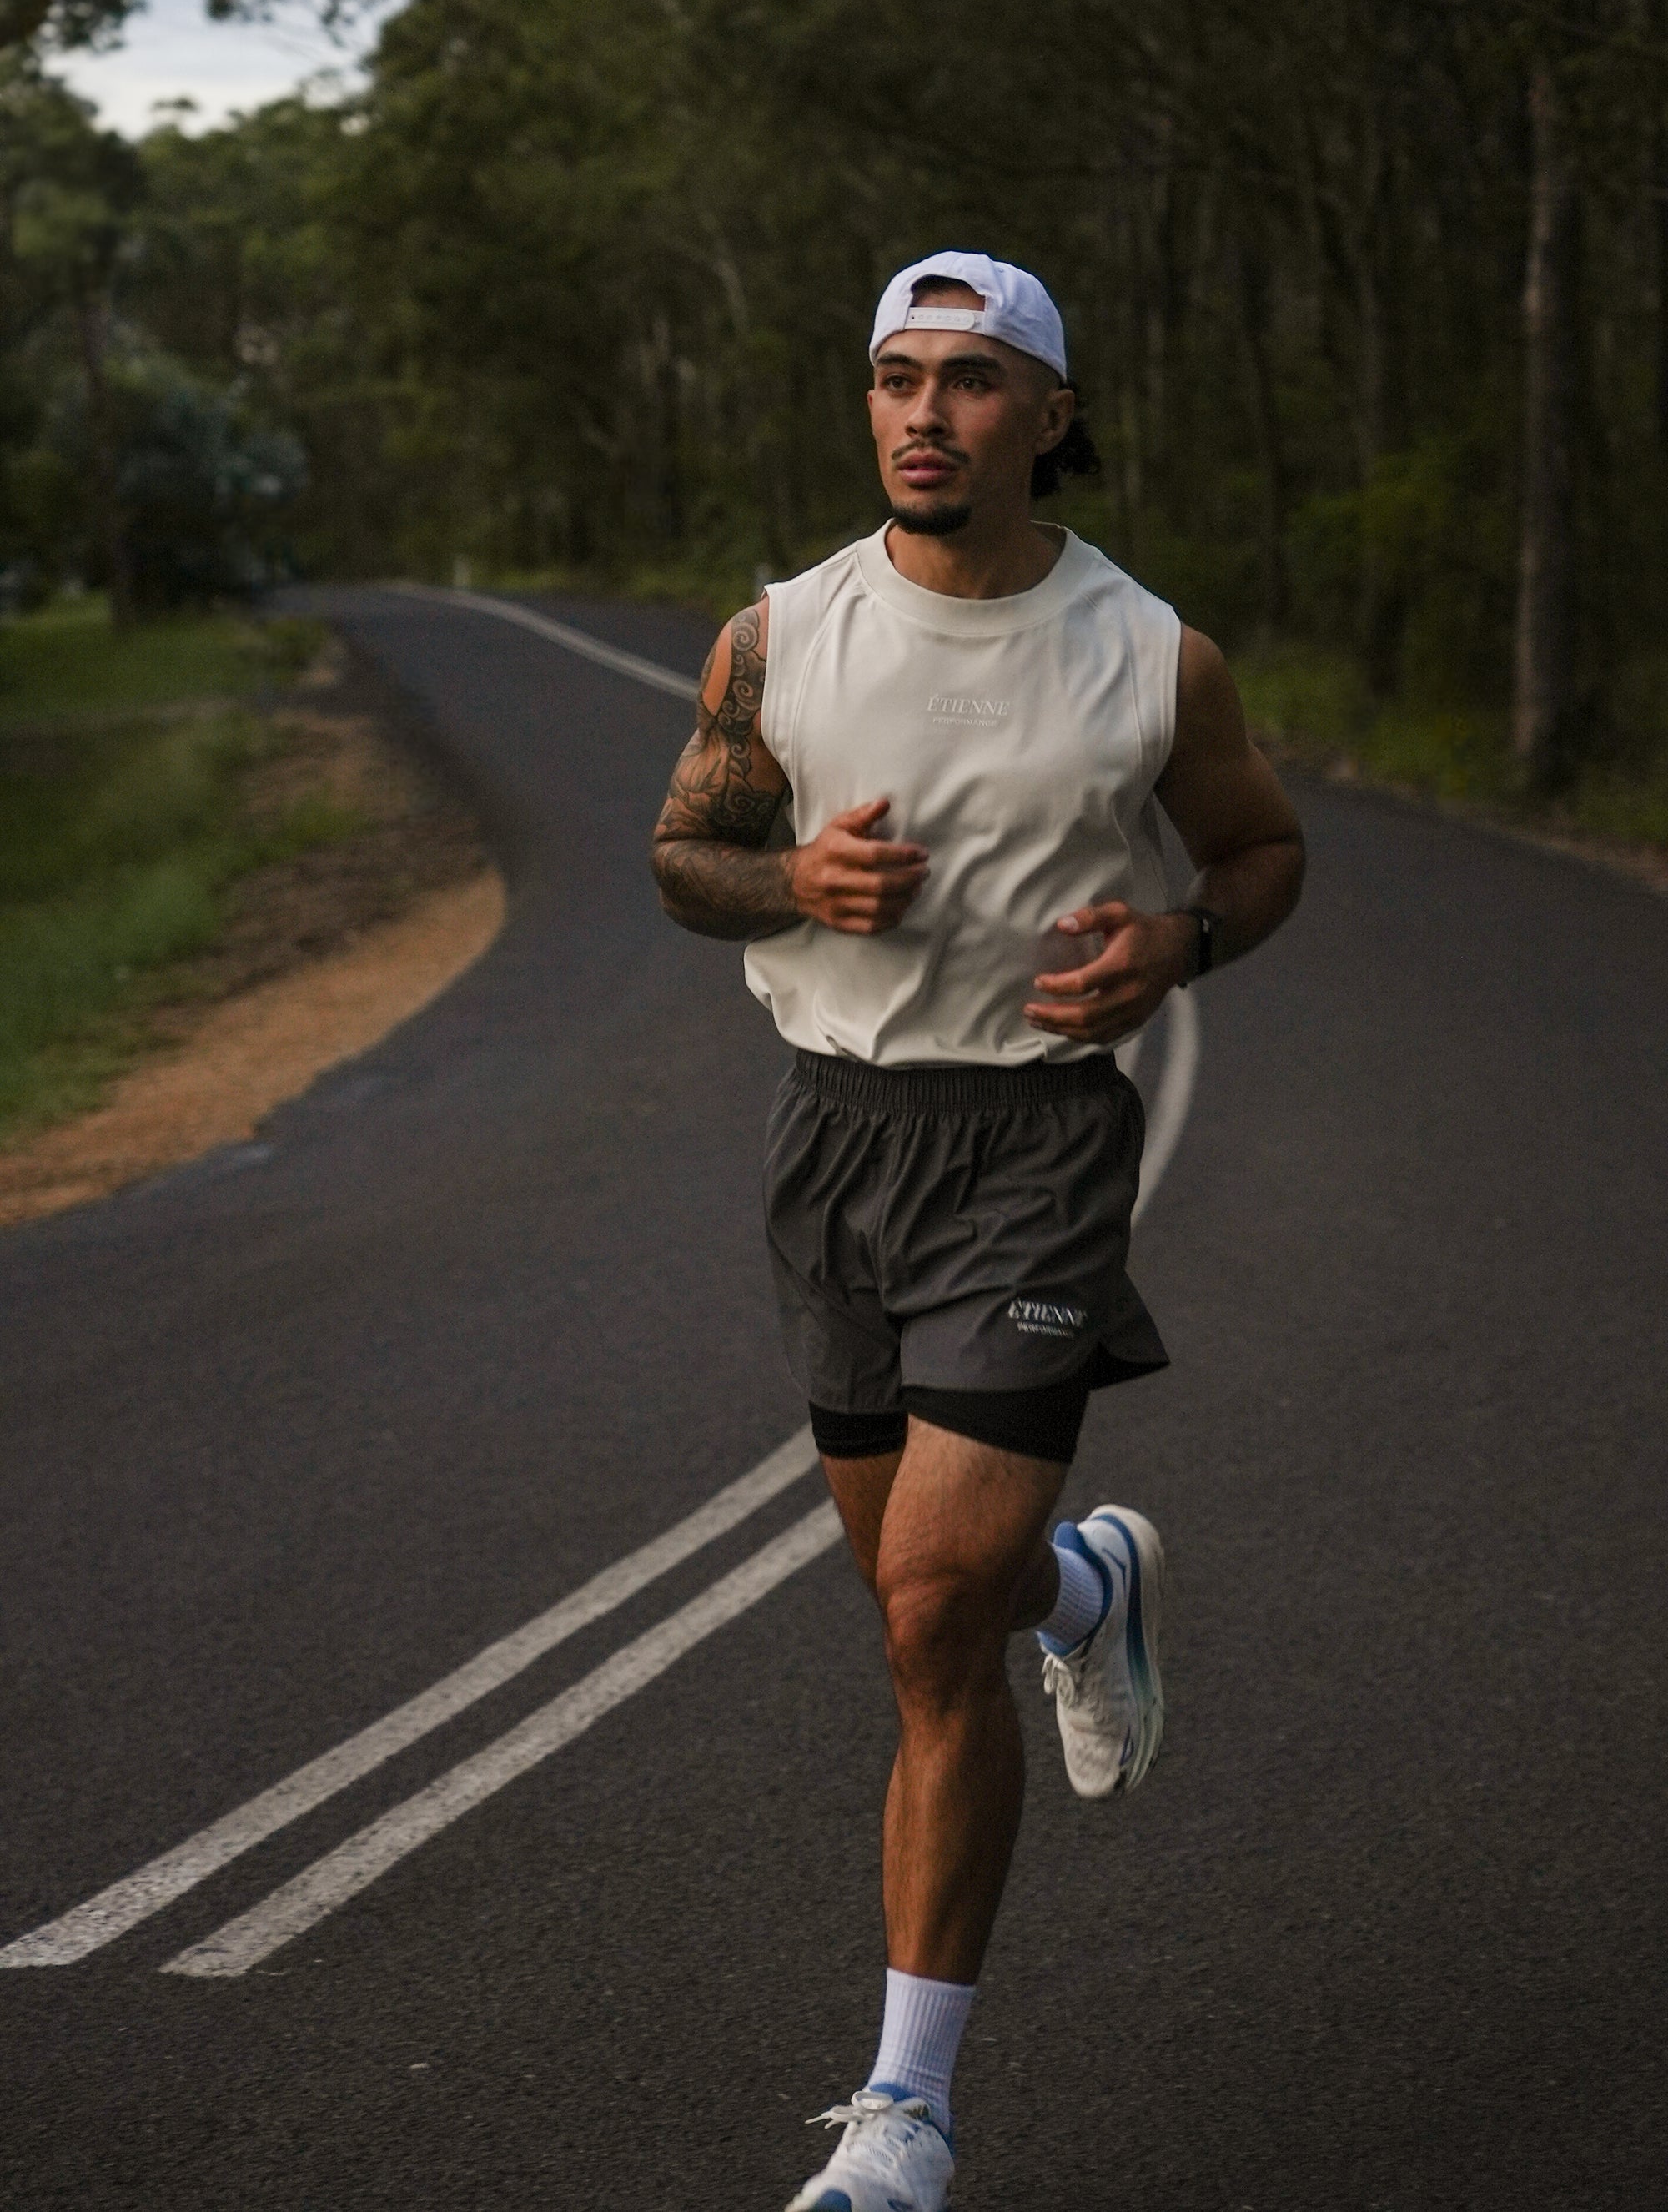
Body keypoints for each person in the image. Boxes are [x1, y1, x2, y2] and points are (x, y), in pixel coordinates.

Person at [650, 250, 1304, 2212]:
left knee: (932, 1600)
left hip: (1032, 1143)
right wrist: (788, 880)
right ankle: (1087, 1593)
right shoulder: (776, 638)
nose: (921, 411)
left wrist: (1181, 939)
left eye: (966, 380)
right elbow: (685, 857)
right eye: (891, 377)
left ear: (1047, 414)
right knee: (930, 1615)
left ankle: (904, 2116)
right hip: (834, 1141)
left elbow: (1261, 848)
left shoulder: (1150, 655)